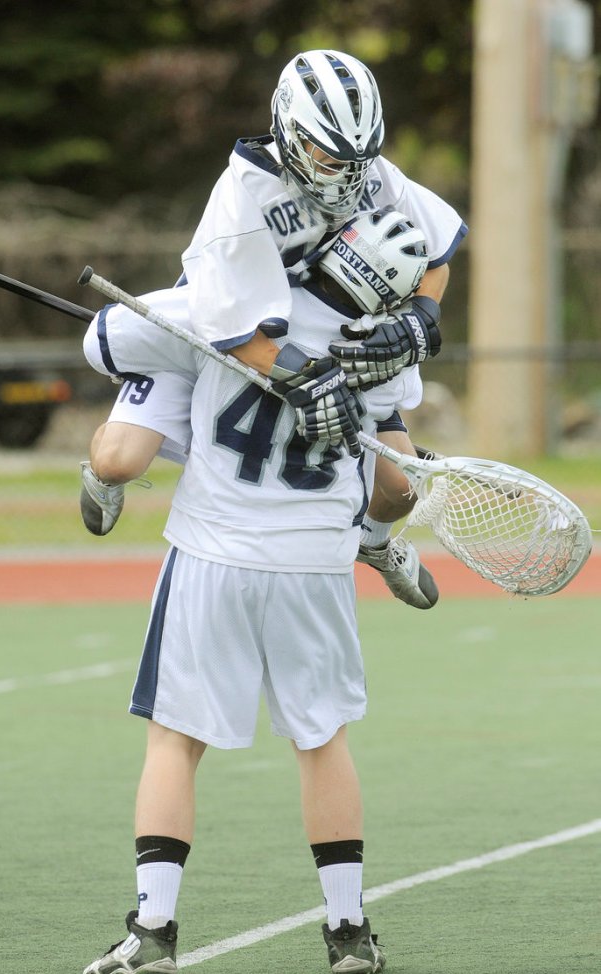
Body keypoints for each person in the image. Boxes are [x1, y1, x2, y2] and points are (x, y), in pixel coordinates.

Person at [80, 208, 429, 974]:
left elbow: (101, 338)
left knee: (175, 740)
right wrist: (375, 530)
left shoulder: (226, 306)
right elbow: (398, 485)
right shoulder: (381, 344)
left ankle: (153, 931)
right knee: (321, 739)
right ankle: (347, 930)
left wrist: (160, 333)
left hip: (213, 550)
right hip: (315, 564)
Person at [80, 48, 467, 610]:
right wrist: (307, 379)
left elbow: (436, 255)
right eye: (328, 157)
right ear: (289, 131)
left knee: (399, 487)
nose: (345, 176)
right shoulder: (243, 196)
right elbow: (234, 331)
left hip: (328, 335)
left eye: (356, 160)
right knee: (122, 459)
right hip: (213, 337)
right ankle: (97, 473)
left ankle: (374, 542)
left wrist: (418, 318)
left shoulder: (373, 176)